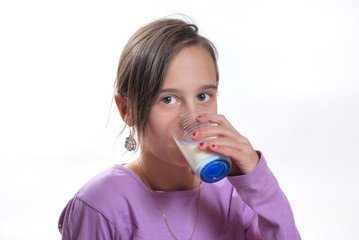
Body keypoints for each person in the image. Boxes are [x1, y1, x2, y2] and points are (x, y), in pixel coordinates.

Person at [58, 17, 301, 239]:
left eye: (203, 95)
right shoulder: (101, 206)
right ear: (126, 110)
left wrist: (258, 181)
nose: (192, 117)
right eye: (168, 99)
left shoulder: (237, 194)